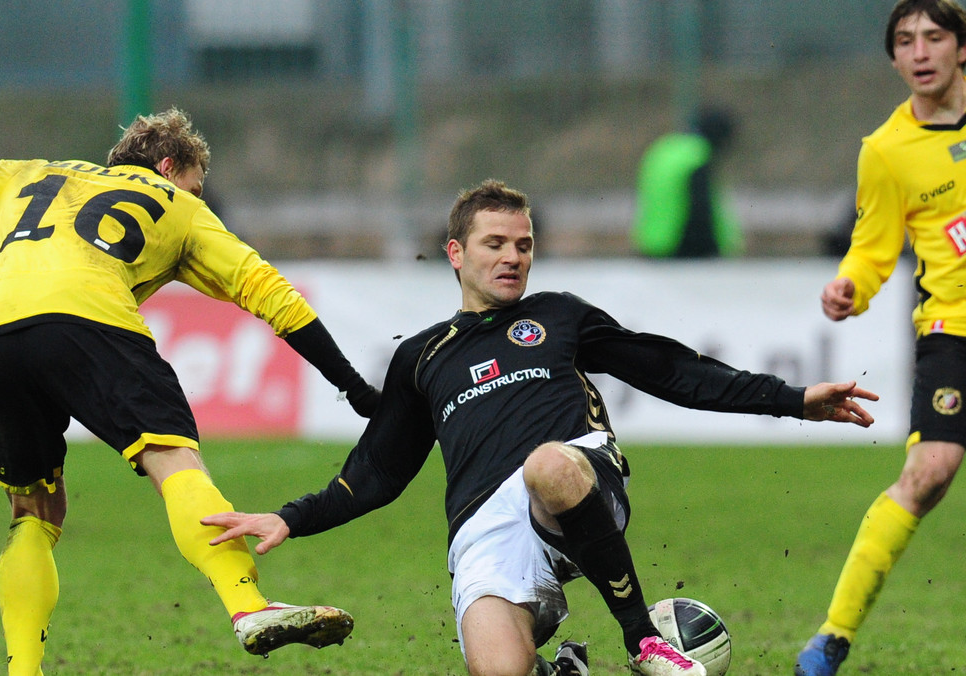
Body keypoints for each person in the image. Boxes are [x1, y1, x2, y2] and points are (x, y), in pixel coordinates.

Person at [0, 107, 380, 675]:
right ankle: (248, 606)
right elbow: (269, 291)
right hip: (91, 318)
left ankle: (23, 669)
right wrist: (352, 387)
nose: (199, 202)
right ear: (169, 168)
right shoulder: (179, 205)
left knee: (34, 512)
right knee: (175, 462)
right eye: (195, 187)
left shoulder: (31, 174)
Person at [202, 179, 877, 676]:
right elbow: (376, 472)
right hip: (484, 533)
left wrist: (793, 399)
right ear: (456, 253)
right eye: (495, 244)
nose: (513, 257)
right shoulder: (423, 358)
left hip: (574, 476)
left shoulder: (559, 315)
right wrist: (291, 518)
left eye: (524, 245)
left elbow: (671, 369)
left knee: (548, 465)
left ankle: (642, 639)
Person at [796, 1, 966, 674]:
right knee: (929, 472)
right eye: (904, 41)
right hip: (951, 331)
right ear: (894, 60)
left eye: (933, 36)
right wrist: (850, 286)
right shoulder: (887, 151)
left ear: (961, 48)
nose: (919, 50)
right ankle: (832, 637)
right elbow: (871, 250)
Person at [632, 107, 744, 259]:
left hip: (652, 243)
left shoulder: (665, 148)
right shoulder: (697, 157)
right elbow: (701, 210)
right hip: (679, 248)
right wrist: (715, 251)